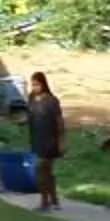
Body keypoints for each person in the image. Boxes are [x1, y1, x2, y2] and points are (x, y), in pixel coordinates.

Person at [24, 71, 65, 210]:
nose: (35, 87)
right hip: (37, 139)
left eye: (37, 84)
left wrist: (61, 142)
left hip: (50, 140)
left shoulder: (52, 101)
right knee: (47, 172)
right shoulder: (31, 98)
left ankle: (44, 201)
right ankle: (54, 199)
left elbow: (59, 123)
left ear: (43, 84)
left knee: (40, 170)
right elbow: (30, 115)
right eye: (33, 84)